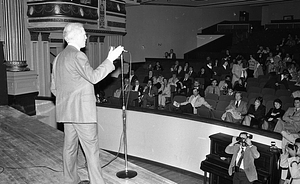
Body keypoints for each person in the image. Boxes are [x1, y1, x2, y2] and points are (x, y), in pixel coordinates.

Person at [50, 23, 124, 184]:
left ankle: (70, 180)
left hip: (67, 113)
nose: (86, 36)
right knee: (91, 151)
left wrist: (70, 101)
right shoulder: (78, 56)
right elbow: (94, 77)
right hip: (83, 114)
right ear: (75, 36)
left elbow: (54, 89)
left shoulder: (58, 59)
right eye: (83, 33)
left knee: (70, 148)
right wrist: (110, 59)